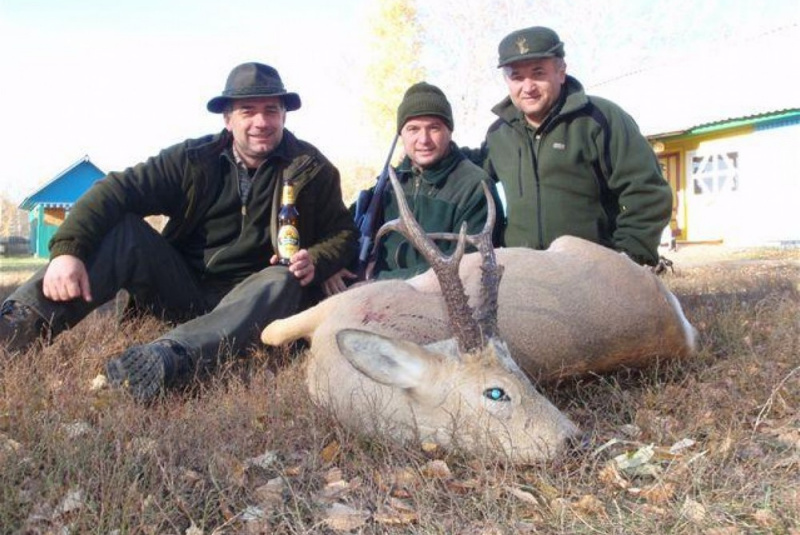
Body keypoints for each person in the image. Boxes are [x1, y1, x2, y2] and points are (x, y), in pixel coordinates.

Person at [0, 62, 357, 401]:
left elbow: (343, 233)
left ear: (284, 115)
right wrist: (67, 251)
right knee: (123, 232)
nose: (261, 121)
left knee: (283, 277)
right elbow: (115, 191)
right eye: (248, 111)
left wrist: (319, 260)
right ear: (228, 118)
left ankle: (169, 358)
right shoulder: (192, 160)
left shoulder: (313, 170)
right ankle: (17, 325)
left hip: (252, 302)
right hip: (182, 286)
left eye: (271, 110)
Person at [465, 26, 672, 266]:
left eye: (538, 73)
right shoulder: (498, 134)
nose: (528, 87)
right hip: (523, 275)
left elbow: (649, 192)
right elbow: (466, 171)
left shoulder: (600, 119)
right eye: (517, 77)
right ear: (507, 81)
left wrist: (628, 257)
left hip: (592, 272)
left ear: (561, 72)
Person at [323, 82, 500, 295]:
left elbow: (470, 265)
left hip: (439, 302)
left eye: (434, 128)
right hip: (374, 293)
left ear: (449, 131)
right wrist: (330, 265)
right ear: (402, 134)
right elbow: (343, 231)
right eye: (413, 129)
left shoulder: (474, 186)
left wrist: (381, 281)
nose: (423, 140)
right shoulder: (388, 183)